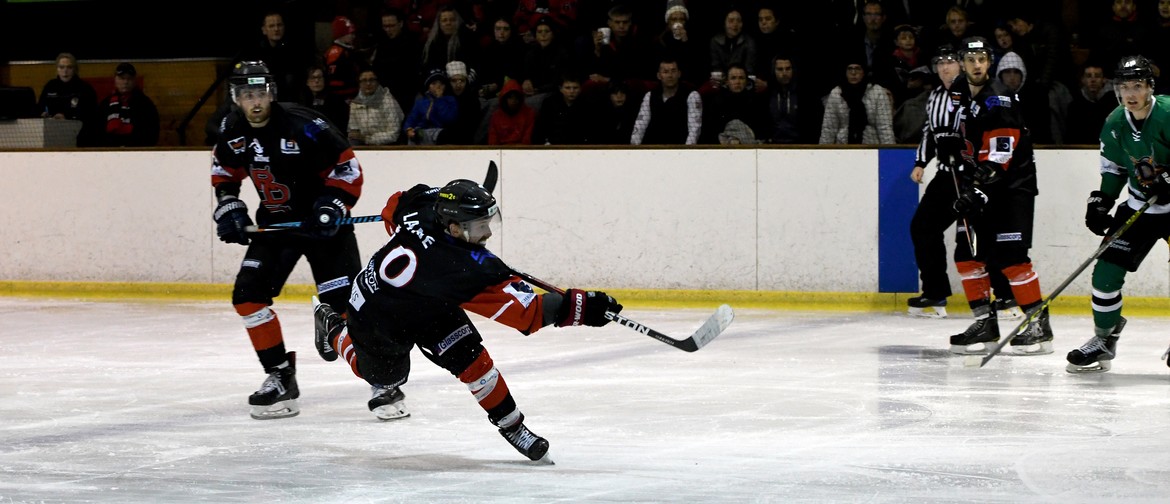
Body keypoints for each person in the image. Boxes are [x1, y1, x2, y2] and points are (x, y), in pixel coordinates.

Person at [312, 176, 622, 461]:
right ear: (454, 227)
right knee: (386, 379)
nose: (487, 232)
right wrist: (582, 307)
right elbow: (528, 316)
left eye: (488, 222)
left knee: (475, 362)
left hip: (429, 302)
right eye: (479, 226)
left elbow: (393, 205)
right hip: (376, 315)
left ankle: (512, 427)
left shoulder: (422, 207)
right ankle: (334, 330)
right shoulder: (465, 269)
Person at [209, 61, 364, 420]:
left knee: (348, 306)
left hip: (325, 228)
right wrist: (230, 207)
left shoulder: (304, 124)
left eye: (261, 93)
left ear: (271, 93)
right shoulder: (232, 130)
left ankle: (382, 381)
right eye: (247, 95)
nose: (256, 101)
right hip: (277, 227)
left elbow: (347, 167)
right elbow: (223, 172)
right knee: (247, 296)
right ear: (236, 98)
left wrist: (332, 203)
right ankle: (280, 377)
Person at [944, 36, 1053, 356]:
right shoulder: (960, 93)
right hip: (980, 186)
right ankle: (985, 323)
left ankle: (1038, 324)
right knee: (966, 255)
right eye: (970, 59)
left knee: (1010, 257)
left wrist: (976, 189)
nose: (977, 65)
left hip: (1009, 190)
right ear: (962, 62)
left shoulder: (1000, 99)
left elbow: (999, 158)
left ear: (989, 63)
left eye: (982, 59)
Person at [1066, 55, 1170, 373]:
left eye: (1137, 86)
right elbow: (1113, 170)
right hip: (1141, 206)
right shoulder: (1114, 123)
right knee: (1105, 276)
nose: (1130, 94)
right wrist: (1101, 201)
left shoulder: (1168, 113)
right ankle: (1103, 339)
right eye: (1124, 87)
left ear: (1150, 87)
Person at [906, 45, 1020, 319]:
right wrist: (922, 161)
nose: (945, 68)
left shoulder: (975, 94)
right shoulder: (934, 96)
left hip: (974, 174)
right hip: (947, 175)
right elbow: (930, 131)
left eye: (950, 62)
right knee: (923, 227)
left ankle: (1005, 296)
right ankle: (935, 293)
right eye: (940, 63)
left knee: (979, 234)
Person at [818, 59, 895, 145]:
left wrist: (891, 152)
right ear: (845, 72)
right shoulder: (836, 93)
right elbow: (829, 128)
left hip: (871, 146)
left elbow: (884, 127)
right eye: (850, 69)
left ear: (864, 71)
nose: (853, 73)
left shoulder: (877, 92)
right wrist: (823, 153)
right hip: (843, 147)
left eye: (857, 69)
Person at [630, 59, 701, 145]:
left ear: (679, 74)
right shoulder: (650, 96)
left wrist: (686, 151)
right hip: (654, 150)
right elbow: (640, 125)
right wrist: (635, 149)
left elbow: (694, 129)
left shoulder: (692, 95)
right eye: (665, 72)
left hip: (680, 150)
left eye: (673, 71)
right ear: (659, 75)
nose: (670, 75)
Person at [93, 63, 160, 147]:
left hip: (137, 152)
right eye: (122, 78)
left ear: (135, 81)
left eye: (129, 78)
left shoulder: (145, 105)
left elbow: (151, 133)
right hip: (109, 152)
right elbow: (97, 131)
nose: (125, 82)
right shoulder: (105, 104)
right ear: (115, 80)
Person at [371, 8, 424, 114]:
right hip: (384, 96)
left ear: (400, 24)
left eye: (391, 26)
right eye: (385, 26)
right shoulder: (381, 44)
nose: (388, 30)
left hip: (406, 96)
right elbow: (376, 69)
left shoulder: (413, 43)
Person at [761, 54, 822, 144]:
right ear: (773, 71)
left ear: (793, 70)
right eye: (780, 69)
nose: (784, 73)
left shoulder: (805, 96)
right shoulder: (766, 95)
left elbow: (814, 124)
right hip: (771, 146)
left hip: (800, 145)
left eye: (788, 69)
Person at [348, 69, 405, 145]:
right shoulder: (355, 103)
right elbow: (353, 128)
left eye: (372, 80)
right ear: (359, 83)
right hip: (362, 142)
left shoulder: (388, 102)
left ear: (377, 82)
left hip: (386, 145)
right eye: (364, 80)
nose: (368, 83)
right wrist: (354, 134)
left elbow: (393, 134)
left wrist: (368, 139)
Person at [1065, 60, 1117, 145]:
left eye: (1097, 76)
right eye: (1089, 76)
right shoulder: (1075, 106)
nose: (1093, 80)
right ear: (1083, 80)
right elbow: (1070, 136)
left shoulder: (1114, 104)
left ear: (1104, 79)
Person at [404, 69, 459, 145]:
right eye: (433, 84)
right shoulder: (421, 102)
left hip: (439, 134)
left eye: (441, 84)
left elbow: (448, 119)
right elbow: (411, 118)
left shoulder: (450, 100)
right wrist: (408, 129)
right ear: (428, 87)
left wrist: (439, 100)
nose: (438, 87)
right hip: (421, 132)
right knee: (415, 135)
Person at [532, 73, 589, 145]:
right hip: (554, 146)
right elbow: (540, 128)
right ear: (560, 89)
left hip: (578, 146)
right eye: (567, 88)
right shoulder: (549, 103)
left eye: (575, 88)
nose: (572, 91)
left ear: (580, 89)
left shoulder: (587, 105)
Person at [298, 64, 350, 133]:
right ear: (307, 82)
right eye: (313, 78)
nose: (316, 81)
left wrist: (318, 126)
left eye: (319, 77)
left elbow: (336, 124)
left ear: (324, 80)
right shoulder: (302, 101)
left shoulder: (336, 100)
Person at [486, 78, 536, 145]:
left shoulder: (529, 114)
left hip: (522, 151)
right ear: (505, 98)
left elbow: (527, 140)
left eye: (516, 97)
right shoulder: (496, 116)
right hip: (500, 152)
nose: (514, 100)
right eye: (510, 97)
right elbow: (492, 142)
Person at [324, 15, 361, 101]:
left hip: (353, 93)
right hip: (342, 97)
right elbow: (333, 80)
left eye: (354, 33)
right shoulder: (335, 52)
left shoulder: (349, 50)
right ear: (341, 34)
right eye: (350, 33)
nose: (353, 36)